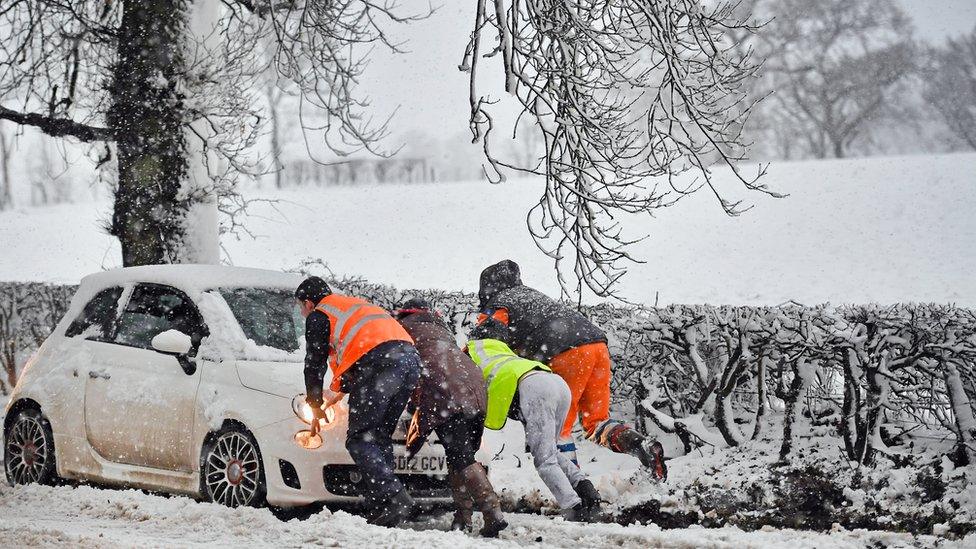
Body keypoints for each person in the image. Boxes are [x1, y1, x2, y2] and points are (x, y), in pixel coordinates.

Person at [476, 260, 667, 483]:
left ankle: (578, 491)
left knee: (558, 432)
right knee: (596, 424)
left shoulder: (500, 305)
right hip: (597, 346)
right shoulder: (533, 296)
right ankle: (641, 445)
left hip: (564, 353)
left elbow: (483, 344)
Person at [296, 276, 421, 528]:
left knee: (359, 438)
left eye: (301, 307)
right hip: (410, 362)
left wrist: (314, 401)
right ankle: (381, 508)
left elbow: (315, 362)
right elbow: (356, 357)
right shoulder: (351, 305)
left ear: (308, 303)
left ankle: (395, 497)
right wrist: (334, 394)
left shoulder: (320, 314)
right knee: (379, 436)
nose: (302, 313)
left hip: (382, 364)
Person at [394, 298, 508, 537]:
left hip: (445, 390)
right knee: (460, 454)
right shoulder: (442, 329)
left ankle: (492, 510)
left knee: (461, 456)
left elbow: (406, 367)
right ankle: (462, 518)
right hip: (475, 386)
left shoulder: (403, 329)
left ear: (405, 314)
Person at [466, 329, 600, 522]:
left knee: (544, 460)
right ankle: (587, 490)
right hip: (556, 383)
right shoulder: (500, 350)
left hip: (534, 389)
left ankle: (573, 507)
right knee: (551, 451)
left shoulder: (470, 356)